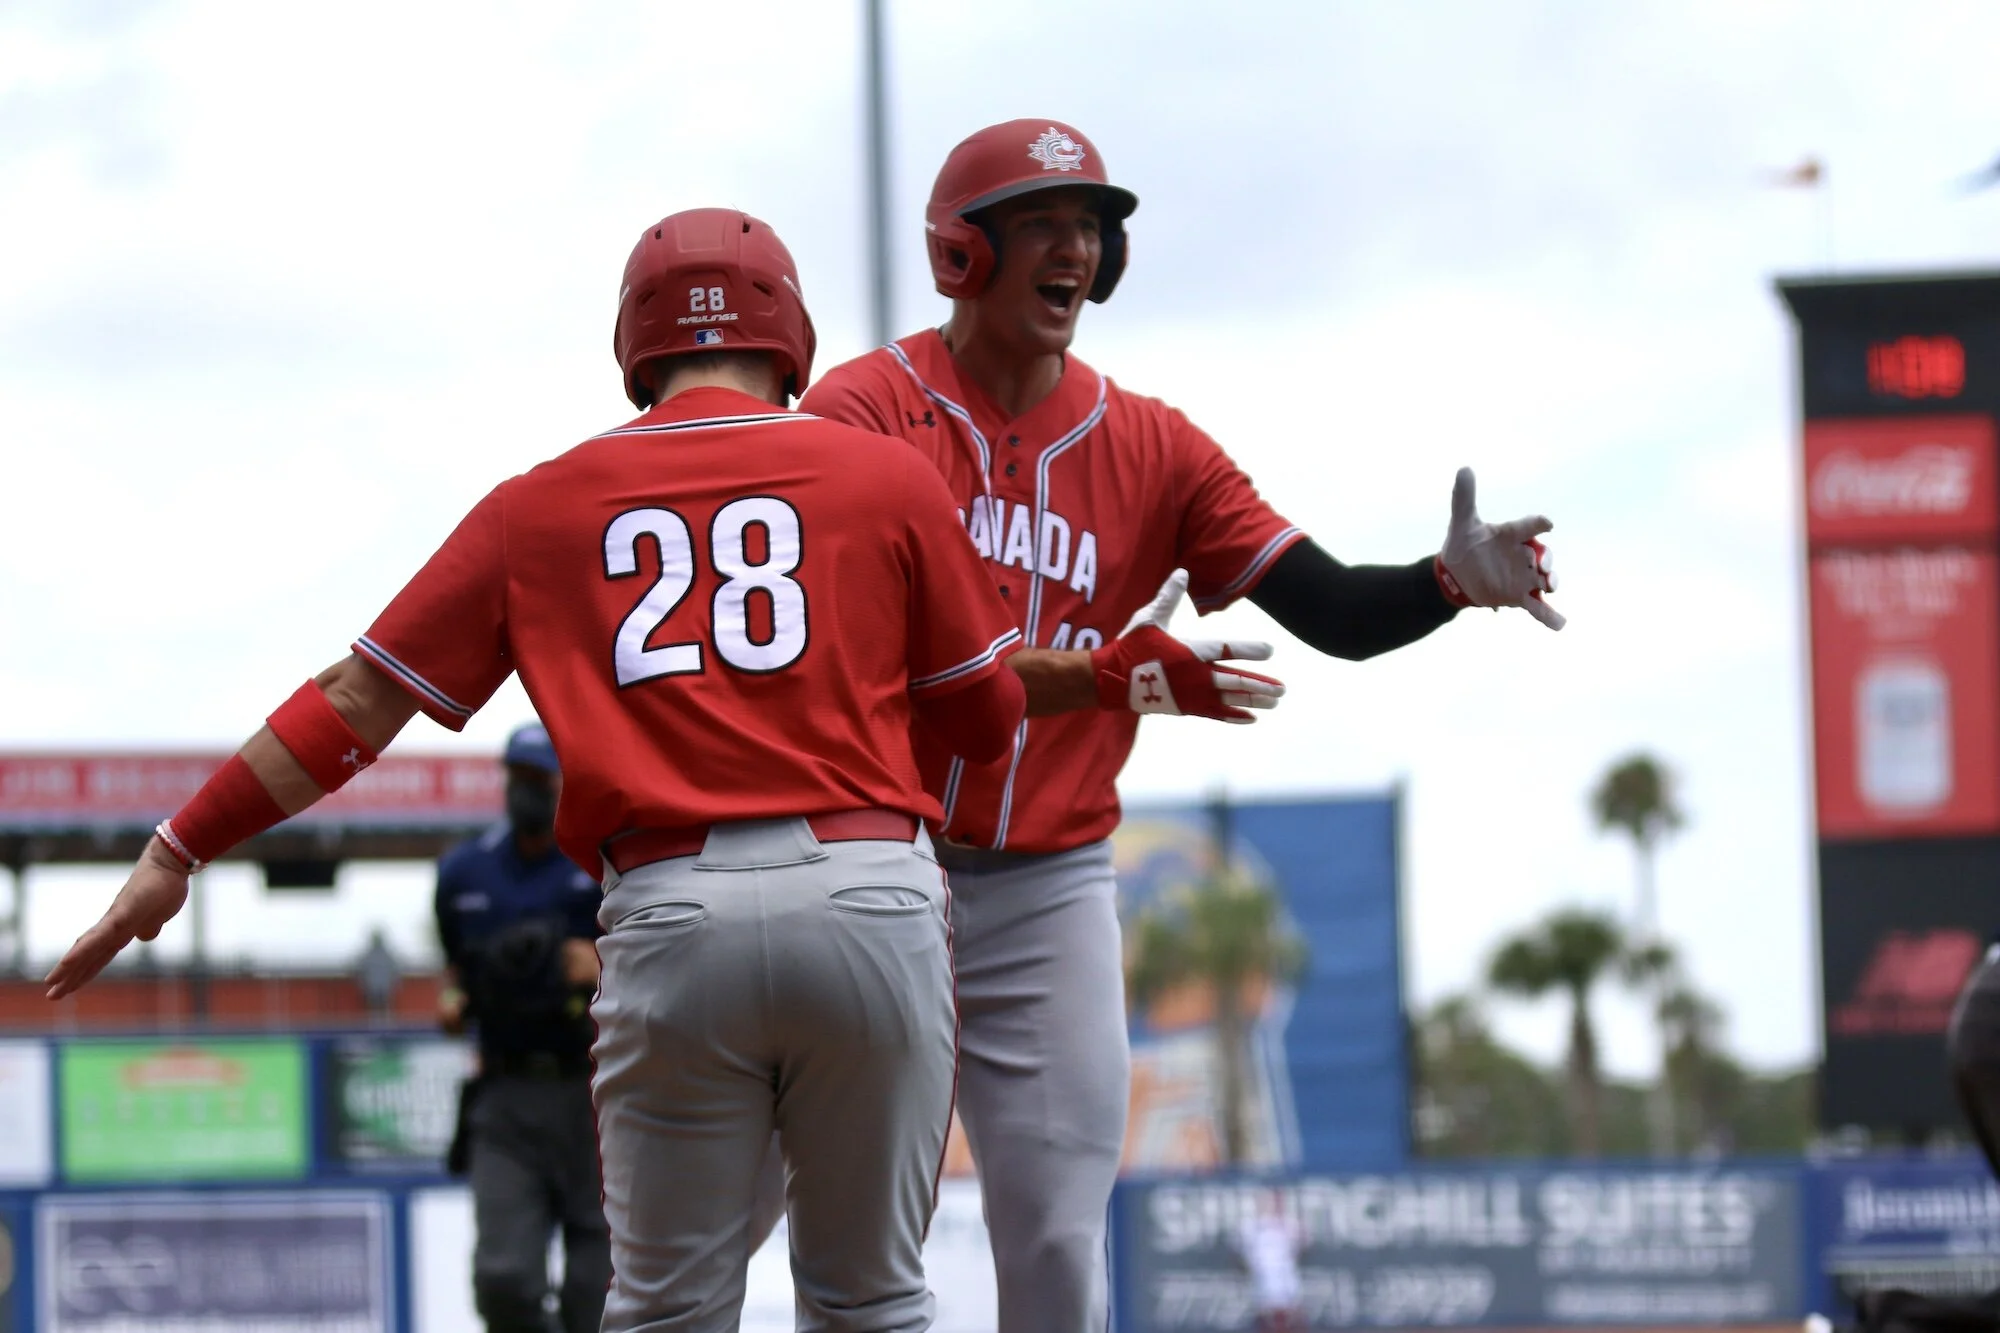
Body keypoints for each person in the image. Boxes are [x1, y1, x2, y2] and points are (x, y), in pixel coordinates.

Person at [45, 205, 1029, 1333]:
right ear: (790, 335)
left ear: (636, 349)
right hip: (865, 891)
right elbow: (987, 721)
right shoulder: (885, 475)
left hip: (673, 906)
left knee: (666, 1309)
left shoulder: (540, 502)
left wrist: (181, 846)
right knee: (871, 1300)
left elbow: (355, 700)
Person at [783, 117, 1565, 1332]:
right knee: (862, 1242)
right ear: (960, 254)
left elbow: (1331, 611)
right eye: (1042, 221)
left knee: (1053, 1240)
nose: (1076, 250)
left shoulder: (1151, 446)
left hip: (1049, 887)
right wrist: (1098, 676)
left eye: (1092, 227)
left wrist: (1444, 583)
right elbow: (867, 661)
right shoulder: (865, 412)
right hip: (885, 864)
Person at [433, 721, 608, 1333]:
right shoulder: (464, 874)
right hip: (505, 1094)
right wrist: (453, 998)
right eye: (518, 776)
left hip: (595, 1092)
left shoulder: (602, 860)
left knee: (600, 1288)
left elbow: (672, 963)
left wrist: (603, 966)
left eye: (539, 777)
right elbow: (455, 971)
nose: (525, 789)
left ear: (566, 782)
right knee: (503, 1279)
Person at [1233, 1189, 1305, 1332]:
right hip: (1263, 1274)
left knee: (1293, 1311)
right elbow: (1240, 1249)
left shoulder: (1290, 1223)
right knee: (1265, 1313)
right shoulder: (1251, 1226)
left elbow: (1302, 1242)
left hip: (1285, 1273)